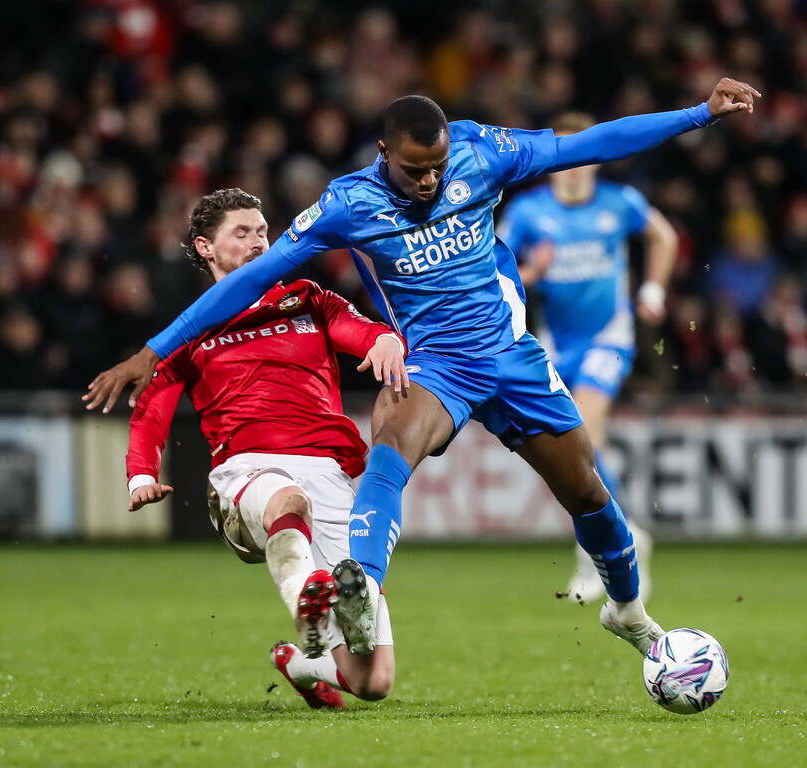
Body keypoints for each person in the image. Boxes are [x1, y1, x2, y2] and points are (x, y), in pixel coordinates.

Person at [85, 79, 761, 663]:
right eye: (415, 171)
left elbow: (583, 145)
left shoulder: (482, 151)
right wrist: (155, 350)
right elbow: (253, 277)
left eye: (437, 167)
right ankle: (361, 588)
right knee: (391, 447)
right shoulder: (349, 205)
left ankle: (627, 611)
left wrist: (698, 112)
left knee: (588, 492)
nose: (430, 180)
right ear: (384, 155)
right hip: (439, 364)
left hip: (512, 355)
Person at [124, 188, 405, 709]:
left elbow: (358, 330)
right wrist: (141, 474)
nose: (259, 242)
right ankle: (307, 602)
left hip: (332, 473)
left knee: (373, 682)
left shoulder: (307, 297)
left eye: (263, 232)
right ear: (206, 247)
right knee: (286, 500)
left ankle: (298, 661)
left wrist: (383, 340)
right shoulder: (192, 326)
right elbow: (152, 408)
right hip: (246, 472)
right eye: (242, 233)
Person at [496, 111, 679, 605]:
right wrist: (531, 274)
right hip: (553, 346)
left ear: (594, 162)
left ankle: (592, 561)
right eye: (566, 158)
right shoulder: (529, 212)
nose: (574, 168)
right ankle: (629, 535)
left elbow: (665, 236)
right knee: (575, 450)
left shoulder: (619, 203)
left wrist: (655, 289)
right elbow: (494, 270)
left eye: (583, 158)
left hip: (608, 340)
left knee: (585, 438)